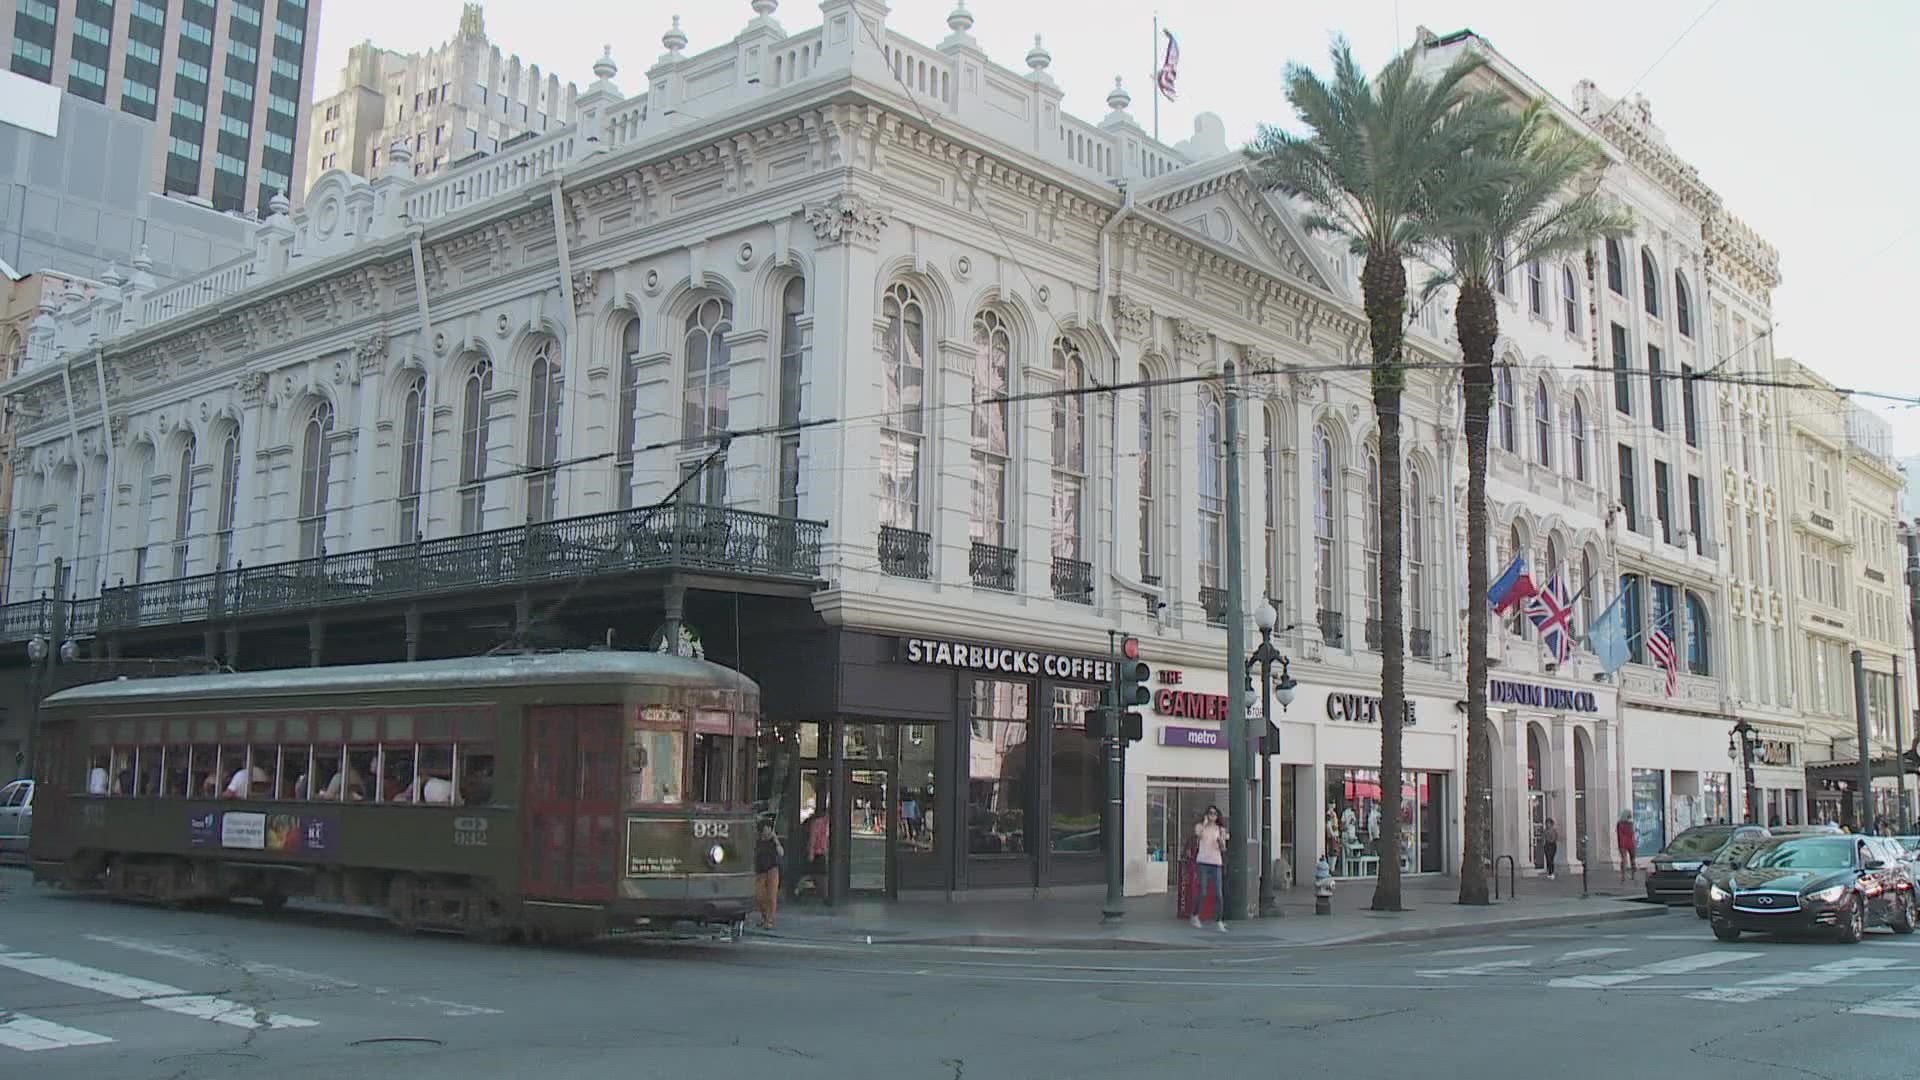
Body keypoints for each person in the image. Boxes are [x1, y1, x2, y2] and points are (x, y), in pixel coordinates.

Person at [1191, 806, 1228, 932]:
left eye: (1214, 814)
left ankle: (1219, 920)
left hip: (1216, 862)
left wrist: (1221, 842)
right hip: (1203, 861)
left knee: (1218, 893)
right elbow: (1199, 836)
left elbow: (1223, 848)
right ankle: (1195, 915)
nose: (1212, 816)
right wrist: (1205, 824)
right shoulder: (1200, 826)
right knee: (1203, 891)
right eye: (1210, 813)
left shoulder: (1220, 829)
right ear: (1206, 814)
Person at [754, 820, 784, 930]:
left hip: (772, 869)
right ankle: (764, 916)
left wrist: (775, 839)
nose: (768, 831)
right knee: (759, 895)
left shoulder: (773, 841)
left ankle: (769, 919)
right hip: (760, 870)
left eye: (769, 829)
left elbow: (781, 852)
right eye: (766, 829)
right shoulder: (757, 841)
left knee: (772, 895)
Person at [1615, 810, 1637, 883]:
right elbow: (1632, 833)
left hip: (1623, 844)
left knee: (1624, 860)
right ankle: (1633, 875)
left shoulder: (1619, 824)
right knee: (1632, 859)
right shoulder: (1630, 824)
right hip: (1631, 843)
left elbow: (1619, 834)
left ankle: (1623, 876)